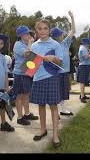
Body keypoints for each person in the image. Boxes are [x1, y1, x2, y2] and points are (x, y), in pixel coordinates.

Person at [30, 20, 63, 148]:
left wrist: (53, 58)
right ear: (36, 30)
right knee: (41, 106)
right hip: (37, 79)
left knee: (53, 106)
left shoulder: (56, 44)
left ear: (49, 30)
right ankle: (43, 130)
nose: (42, 31)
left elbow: (60, 63)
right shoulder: (33, 46)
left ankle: (55, 135)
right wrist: (29, 58)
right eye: (39, 28)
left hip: (52, 77)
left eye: (45, 28)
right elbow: (31, 66)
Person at [50, 11, 76, 116]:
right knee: (56, 92)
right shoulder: (51, 45)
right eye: (60, 34)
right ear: (57, 36)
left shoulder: (65, 43)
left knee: (64, 91)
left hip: (64, 71)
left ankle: (62, 108)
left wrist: (72, 18)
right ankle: (56, 110)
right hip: (56, 72)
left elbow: (73, 30)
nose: (62, 35)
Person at [13, 25, 38, 126]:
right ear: (20, 35)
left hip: (27, 72)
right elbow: (27, 55)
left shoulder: (27, 43)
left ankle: (27, 114)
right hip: (20, 73)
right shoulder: (18, 44)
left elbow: (33, 56)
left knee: (27, 94)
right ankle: (20, 117)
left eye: (28, 33)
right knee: (19, 96)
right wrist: (30, 43)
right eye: (26, 33)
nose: (28, 35)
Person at [77, 38, 90, 103]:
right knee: (82, 82)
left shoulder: (83, 48)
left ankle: (82, 95)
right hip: (83, 66)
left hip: (85, 66)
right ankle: (82, 96)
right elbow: (86, 57)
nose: (89, 45)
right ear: (86, 43)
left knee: (84, 81)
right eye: (88, 44)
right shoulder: (83, 48)